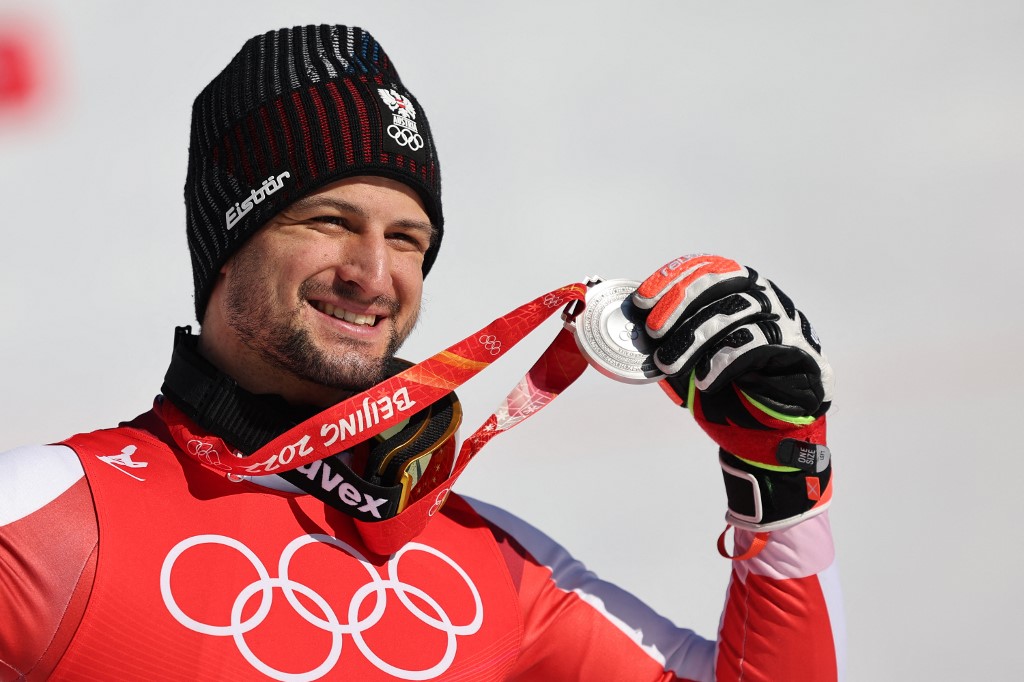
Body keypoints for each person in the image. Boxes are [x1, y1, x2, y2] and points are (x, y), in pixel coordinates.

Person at [0, 25, 844, 681]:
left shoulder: (490, 567)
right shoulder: (53, 522)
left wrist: (780, 479)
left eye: (408, 238)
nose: (374, 276)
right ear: (229, 244)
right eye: (329, 221)